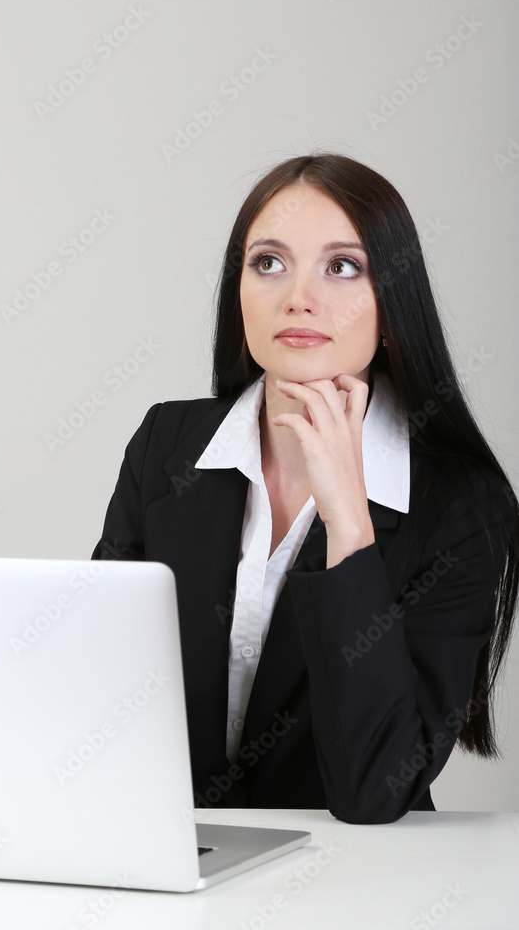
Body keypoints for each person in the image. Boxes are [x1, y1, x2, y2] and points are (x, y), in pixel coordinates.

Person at [91, 153, 519, 824]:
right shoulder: (166, 445)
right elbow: (98, 687)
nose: (297, 296)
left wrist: (349, 521)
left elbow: (375, 790)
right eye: (268, 262)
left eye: (340, 266)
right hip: (169, 868)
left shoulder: (461, 506)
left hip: (350, 889)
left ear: (391, 300)